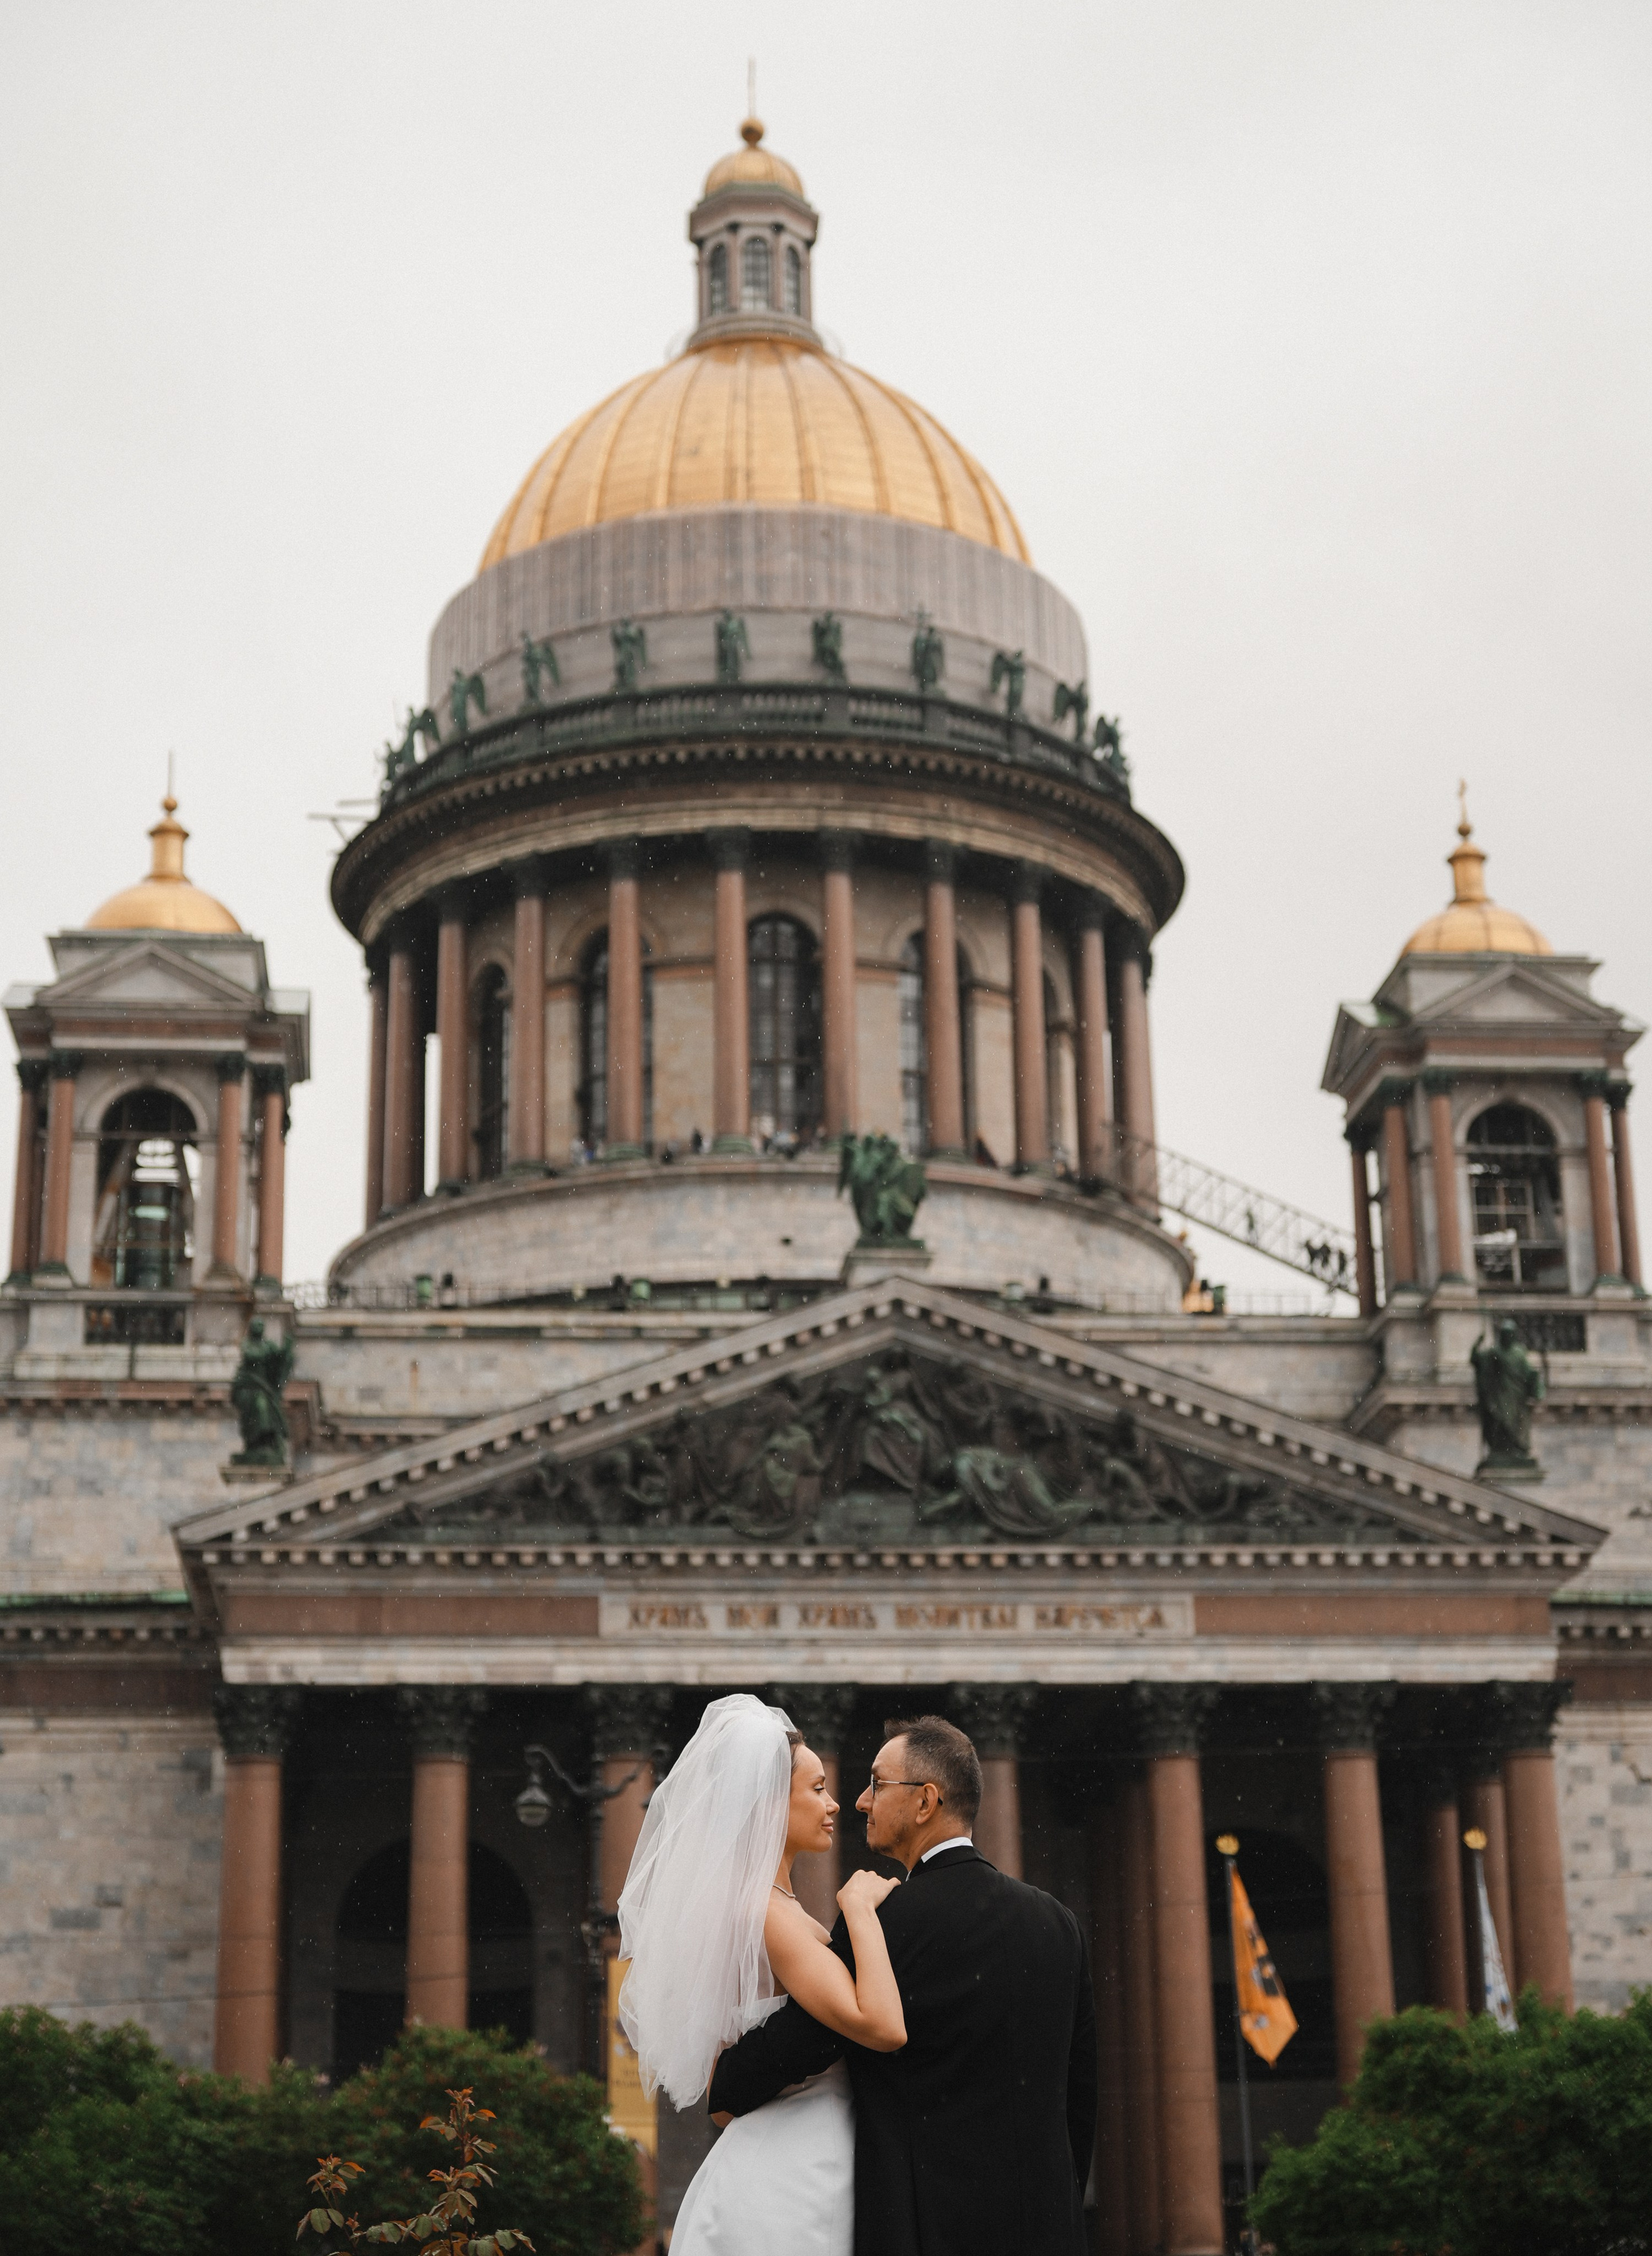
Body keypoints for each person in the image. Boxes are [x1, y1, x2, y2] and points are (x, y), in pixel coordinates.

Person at [710, 1714, 1096, 2256]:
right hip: (1048, 2229)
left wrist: (725, 2080)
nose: (861, 1801)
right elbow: (1079, 2098)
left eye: (877, 1783)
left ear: (925, 1801)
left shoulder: (885, 1922)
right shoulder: (1058, 1923)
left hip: (923, 2226)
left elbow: (806, 2041)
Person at [617, 1694, 906, 2256]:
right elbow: (882, 2024)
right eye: (818, 1787)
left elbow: (724, 2098)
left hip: (774, 2153)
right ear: (771, 1800)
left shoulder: (767, 1905)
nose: (836, 1803)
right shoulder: (767, 1913)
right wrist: (862, 1908)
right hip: (799, 2174)